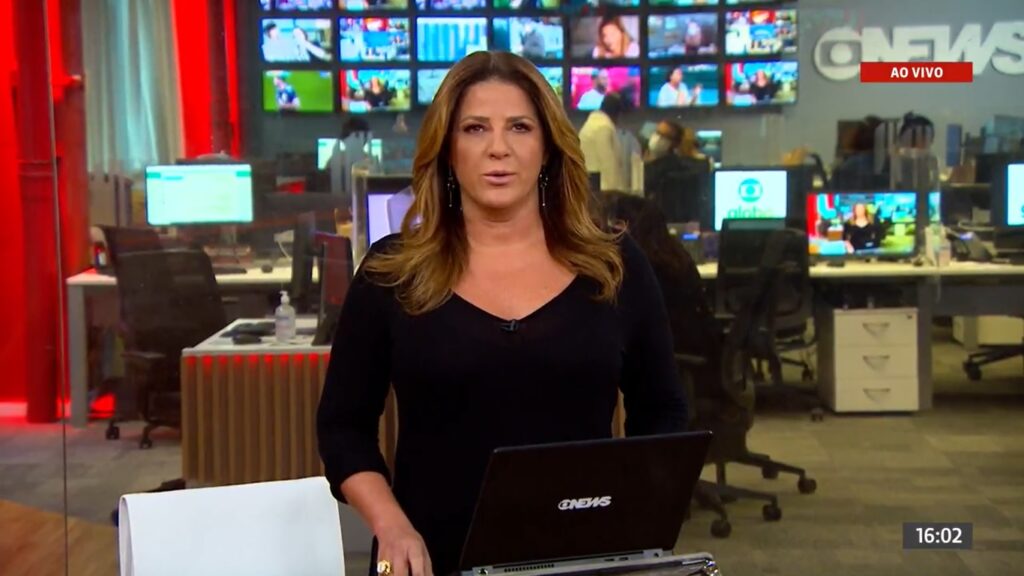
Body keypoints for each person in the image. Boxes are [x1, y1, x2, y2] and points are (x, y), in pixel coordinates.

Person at [317, 51, 688, 576]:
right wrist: (391, 526)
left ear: (547, 147)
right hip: (432, 558)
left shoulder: (614, 266)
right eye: (475, 128)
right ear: (448, 149)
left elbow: (663, 413)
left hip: (582, 559)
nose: (499, 148)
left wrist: (633, 521)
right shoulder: (391, 272)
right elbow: (343, 428)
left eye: (519, 127)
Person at [643, 121, 709, 221]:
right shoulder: (648, 163)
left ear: (674, 143)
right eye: (656, 132)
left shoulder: (669, 166)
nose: (656, 138)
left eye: (663, 136)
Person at [579, 92, 630, 193]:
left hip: (591, 184)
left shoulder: (593, 124)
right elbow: (608, 165)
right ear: (617, 113)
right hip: (600, 188)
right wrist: (617, 194)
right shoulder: (603, 128)